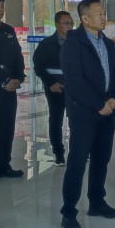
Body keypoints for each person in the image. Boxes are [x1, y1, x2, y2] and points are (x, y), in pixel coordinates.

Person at [59, 0, 115, 228]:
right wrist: (99, 104)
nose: (103, 17)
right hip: (84, 113)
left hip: (108, 111)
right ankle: (69, 212)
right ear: (85, 18)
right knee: (78, 161)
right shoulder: (73, 43)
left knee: (101, 158)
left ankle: (97, 201)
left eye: (103, 13)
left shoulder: (107, 42)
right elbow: (74, 81)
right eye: (99, 14)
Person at [0, 0, 25, 185]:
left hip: (10, 90)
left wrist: (18, 78)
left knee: (7, 128)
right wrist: (5, 79)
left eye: (2, 5)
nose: (0, 9)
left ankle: (4, 165)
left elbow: (18, 56)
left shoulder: (8, 30)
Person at [33, 11, 74, 166]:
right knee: (56, 120)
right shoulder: (46, 44)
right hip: (55, 89)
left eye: (71, 23)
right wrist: (50, 83)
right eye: (66, 23)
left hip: (75, 89)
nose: (69, 26)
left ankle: (78, 151)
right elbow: (39, 67)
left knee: (76, 121)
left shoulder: (77, 43)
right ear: (57, 25)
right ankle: (58, 153)